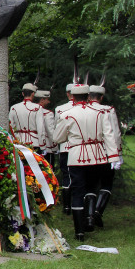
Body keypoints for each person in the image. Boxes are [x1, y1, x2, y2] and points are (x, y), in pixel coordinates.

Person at [53, 83, 119, 241]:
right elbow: (109, 135)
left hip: (76, 157)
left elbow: (57, 138)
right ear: (88, 96)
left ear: (72, 96)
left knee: (77, 192)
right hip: (98, 156)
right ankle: (90, 218)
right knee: (92, 188)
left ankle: (79, 232)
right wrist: (114, 157)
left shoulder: (67, 114)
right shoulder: (100, 112)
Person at [87, 82, 123, 227]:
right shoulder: (108, 110)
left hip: (87, 153)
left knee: (90, 185)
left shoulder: (82, 109)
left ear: (89, 97)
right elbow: (115, 133)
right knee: (107, 183)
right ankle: (98, 211)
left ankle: (89, 216)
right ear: (101, 97)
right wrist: (117, 153)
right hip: (106, 151)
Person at [55, 83, 75, 215]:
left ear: (68, 93)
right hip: (79, 147)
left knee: (66, 174)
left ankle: (67, 206)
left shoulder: (60, 109)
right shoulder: (87, 108)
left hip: (65, 146)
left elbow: (58, 130)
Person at [9, 83, 46, 150]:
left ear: (23, 94)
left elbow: (10, 127)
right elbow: (40, 128)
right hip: (34, 142)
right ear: (33, 94)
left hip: (18, 142)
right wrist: (42, 145)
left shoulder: (14, 108)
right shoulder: (38, 107)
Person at [34, 89, 56, 168]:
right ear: (42, 100)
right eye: (47, 99)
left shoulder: (30, 111)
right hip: (46, 147)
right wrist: (55, 147)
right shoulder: (48, 113)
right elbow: (50, 131)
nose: (49, 102)